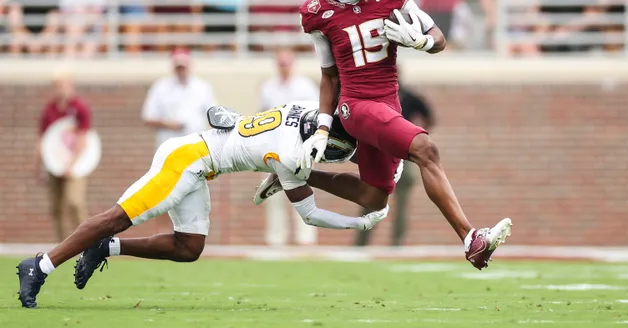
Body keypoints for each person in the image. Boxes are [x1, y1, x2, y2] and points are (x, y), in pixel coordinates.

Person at [271, 0, 511, 269]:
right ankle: (471, 238)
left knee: (373, 196)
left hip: (388, 101)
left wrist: (422, 42)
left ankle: (292, 174)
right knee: (425, 149)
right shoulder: (317, 11)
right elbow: (329, 75)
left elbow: (437, 37)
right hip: (355, 104)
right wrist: (324, 128)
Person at [17, 102, 389, 309]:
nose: (332, 157)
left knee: (189, 247)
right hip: (188, 160)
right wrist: (360, 224)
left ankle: (106, 248)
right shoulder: (293, 157)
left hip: (202, 159)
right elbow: (309, 214)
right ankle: (40, 266)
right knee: (117, 217)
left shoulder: (302, 112)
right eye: (334, 151)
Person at [354, 80, 434, 246]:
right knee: (371, 200)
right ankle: (361, 242)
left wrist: (417, 136)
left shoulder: (408, 97)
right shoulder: (377, 96)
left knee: (400, 206)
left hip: (402, 155)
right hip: (381, 154)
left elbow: (429, 116)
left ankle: (397, 243)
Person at [258, 48, 319, 247]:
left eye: (287, 63)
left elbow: (314, 116)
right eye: (281, 63)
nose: (284, 67)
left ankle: (306, 239)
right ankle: (276, 240)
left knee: (302, 192)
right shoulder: (268, 87)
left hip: (299, 148)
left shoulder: (305, 86)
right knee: (273, 192)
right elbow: (262, 117)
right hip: (274, 148)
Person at [37, 69, 92, 242]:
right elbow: (43, 140)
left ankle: (86, 243)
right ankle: (61, 246)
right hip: (54, 165)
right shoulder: (49, 109)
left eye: (65, 85)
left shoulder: (80, 107)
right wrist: (39, 165)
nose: (62, 89)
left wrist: (70, 164)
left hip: (74, 166)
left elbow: (83, 138)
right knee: (56, 207)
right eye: (58, 85)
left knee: (75, 202)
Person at [142, 47, 217, 149]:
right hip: (168, 148)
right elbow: (148, 117)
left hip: (195, 148)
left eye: (183, 67)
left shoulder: (203, 87)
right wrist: (167, 124)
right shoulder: (161, 87)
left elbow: (213, 116)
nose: (181, 70)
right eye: (178, 67)